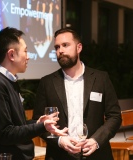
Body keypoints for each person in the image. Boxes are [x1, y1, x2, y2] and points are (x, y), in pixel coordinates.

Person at [0, 27, 67, 160]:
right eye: (25, 51)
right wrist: (41, 127)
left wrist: (37, 122)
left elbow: (16, 125)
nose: (29, 57)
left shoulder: (9, 81)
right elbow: (5, 134)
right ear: (12, 54)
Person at [32, 28, 122, 160]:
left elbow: (114, 116)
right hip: (60, 155)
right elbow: (38, 122)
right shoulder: (47, 82)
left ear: (79, 47)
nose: (60, 50)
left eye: (65, 45)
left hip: (96, 155)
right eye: (57, 47)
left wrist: (96, 141)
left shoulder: (100, 79)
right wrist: (59, 140)